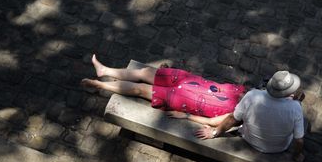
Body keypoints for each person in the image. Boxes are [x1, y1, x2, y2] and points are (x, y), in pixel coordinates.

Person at [192, 71, 306, 162]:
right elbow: (299, 140)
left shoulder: (252, 95)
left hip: (249, 139)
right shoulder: (295, 107)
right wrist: (297, 155)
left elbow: (232, 119)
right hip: (278, 148)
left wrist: (214, 133)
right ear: (290, 92)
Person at [81, 55, 246, 118]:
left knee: (140, 90)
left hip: (185, 100)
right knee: (144, 72)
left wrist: (187, 117)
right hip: (188, 80)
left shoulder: (241, 115)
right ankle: (104, 70)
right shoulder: (251, 92)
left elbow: (219, 122)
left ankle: (100, 85)